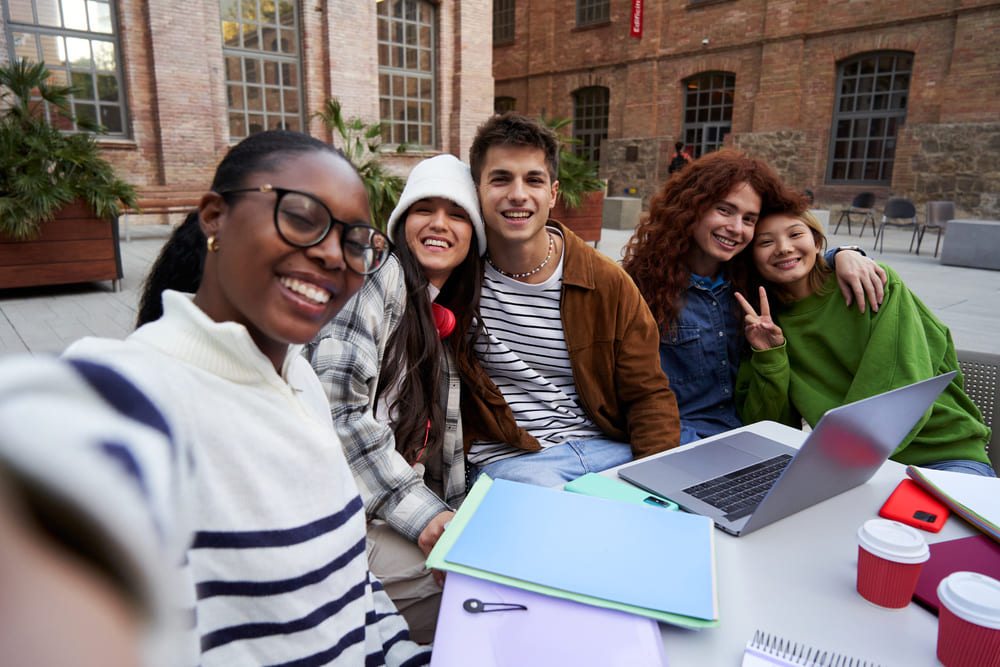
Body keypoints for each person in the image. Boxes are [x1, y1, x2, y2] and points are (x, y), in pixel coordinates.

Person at [0, 130, 431, 665]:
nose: (330, 255)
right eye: (300, 216)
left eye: (355, 242)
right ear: (214, 217)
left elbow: (348, 586)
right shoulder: (128, 395)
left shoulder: (299, 383)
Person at [305, 154, 484, 642]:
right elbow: (334, 409)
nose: (439, 224)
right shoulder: (374, 276)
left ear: (474, 236)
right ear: (402, 223)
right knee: (481, 592)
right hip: (332, 518)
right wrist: (427, 518)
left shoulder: (438, 315)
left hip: (373, 509)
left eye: (457, 214)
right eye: (423, 209)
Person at [459, 111, 680, 488]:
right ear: (477, 190)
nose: (518, 194)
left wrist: (656, 485)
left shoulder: (607, 282)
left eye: (533, 180)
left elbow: (648, 395)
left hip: (603, 450)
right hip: (516, 461)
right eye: (500, 179)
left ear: (553, 193)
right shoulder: (458, 279)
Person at [622, 149, 886, 445]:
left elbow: (794, 262)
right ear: (690, 208)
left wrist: (843, 254)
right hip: (679, 441)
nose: (736, 228)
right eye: (724, 210)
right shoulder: (639, 287)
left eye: (749, 219)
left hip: (752, 437)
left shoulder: (754, 282)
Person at [734, 208, 994, 476]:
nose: (784, 248)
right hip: (856, 467)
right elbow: (767, 428)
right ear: (751, 257)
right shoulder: (762, 322)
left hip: (941, 456)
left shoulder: (873, 282)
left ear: (817, 241)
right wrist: (770, 356)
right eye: (766, 242)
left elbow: (899, 384)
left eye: (796, 234)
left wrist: (835, 464)